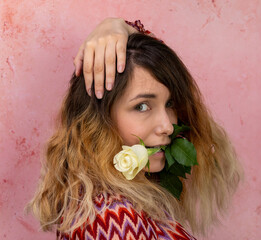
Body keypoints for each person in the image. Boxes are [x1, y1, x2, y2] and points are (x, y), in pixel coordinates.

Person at [28, 19, 242, 239]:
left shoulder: (114, 200)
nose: (168, 126)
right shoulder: (115, 218)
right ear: (99, 119)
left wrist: (115, 26)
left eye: (170, 104)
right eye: (142, 106)